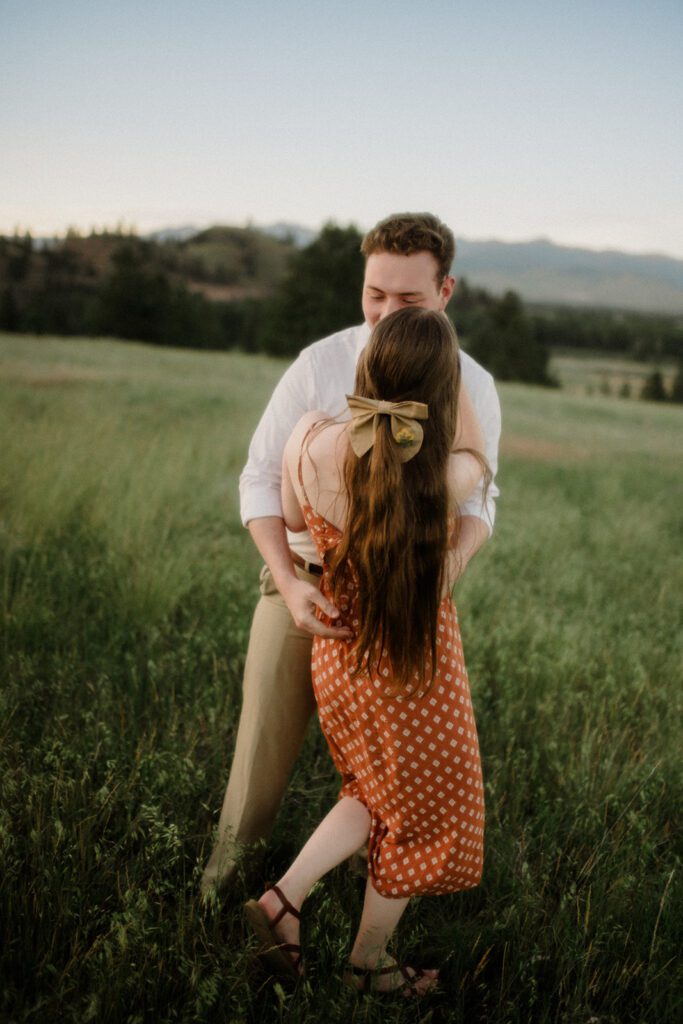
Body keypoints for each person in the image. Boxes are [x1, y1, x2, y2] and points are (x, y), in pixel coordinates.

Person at [201, 213, 501, 896]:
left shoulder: (471, 383)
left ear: (445, 291)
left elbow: (479, 501)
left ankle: (351, 920)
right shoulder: (318, 364)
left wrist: (442, 573)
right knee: (258, 759)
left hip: (404, 599)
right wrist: (287, 579)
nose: (384, 313)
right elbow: (257, 480)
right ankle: (217, 893)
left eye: (407, 300)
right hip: (303, 582)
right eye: (374, 294)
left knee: (399, 775)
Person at [244, 307, 489, 995]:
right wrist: (443, 388)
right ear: (438, 391)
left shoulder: (304, 439)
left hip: (339, 652)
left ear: (364, 368)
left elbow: (293, 522)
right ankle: (367, 963)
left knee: (371, 790)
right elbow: (480, 459)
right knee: (427, 812)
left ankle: (282, 902)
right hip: (413, 666)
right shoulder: (444, 472)